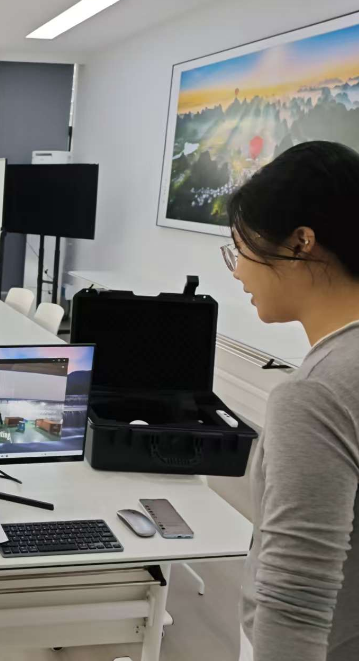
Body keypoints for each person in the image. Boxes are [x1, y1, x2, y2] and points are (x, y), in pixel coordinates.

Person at [224, 141, 359, 661]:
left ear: (302, 242)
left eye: (241, 250)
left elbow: (295, 603)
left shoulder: (315, 395)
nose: (238, 272)